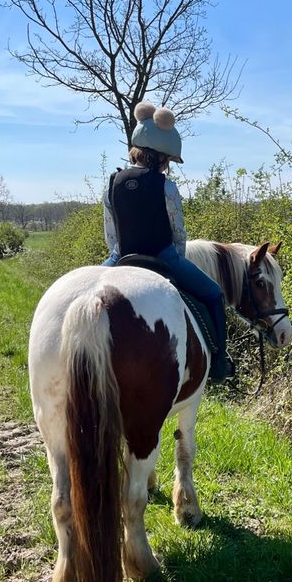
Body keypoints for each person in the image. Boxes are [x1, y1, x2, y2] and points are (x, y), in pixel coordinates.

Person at [102, 101, 233, 382]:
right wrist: (176, 261)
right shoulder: (167, 186)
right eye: (168, 160)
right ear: (162, 157)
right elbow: (178, 233)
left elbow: (111, 233)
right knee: (214, 295)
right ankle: (220, 362)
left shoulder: (112, 182)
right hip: (162, 256)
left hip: (121, 256)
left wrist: (117, 255)